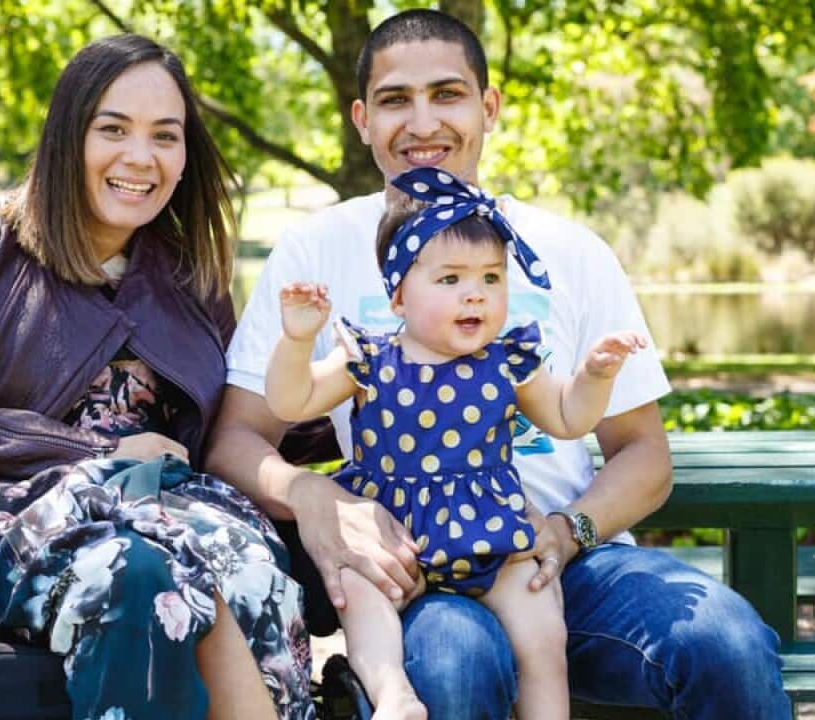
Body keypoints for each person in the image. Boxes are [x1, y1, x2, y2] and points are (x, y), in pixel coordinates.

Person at [206, 9, 791, 719]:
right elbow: (236, 439)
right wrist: (313, 497)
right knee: (454, 661)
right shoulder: (316, 249)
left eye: (447, 94)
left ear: (488, 107)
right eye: (395, 100)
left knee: (726, 642)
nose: (422, 122)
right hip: (420, 563)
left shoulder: (569, 251)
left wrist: (567, 533)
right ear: (362, 119)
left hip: (558, 561)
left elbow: (644, 455)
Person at [0, 34, 313, 720]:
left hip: (178, 513)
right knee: (136, 573)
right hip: (1, 517)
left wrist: (373, 387)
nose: (140, 157)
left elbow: (243, 418)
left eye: (165, 136)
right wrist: (100, 453)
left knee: (254, 571)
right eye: (113, 129)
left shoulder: (191, 275)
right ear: (67, 136)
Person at [266, 166, 648, 720]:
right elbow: (291, 400)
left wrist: (594, 376)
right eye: (450, 280)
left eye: (491, 278)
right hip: (395, 538)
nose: (475, 294)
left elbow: (569, 417)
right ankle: (391, 693)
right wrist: (297, 341)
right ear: (399, 296)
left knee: (543, 632)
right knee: (361, 595)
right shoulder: (367, 358)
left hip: (491, 531)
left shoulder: (509, 361)